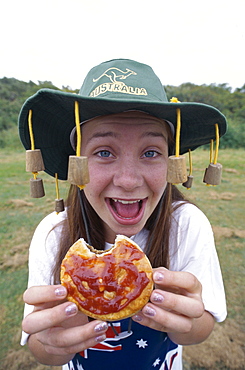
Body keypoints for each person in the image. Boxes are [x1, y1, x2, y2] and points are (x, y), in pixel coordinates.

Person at [19, 59, 227, 370]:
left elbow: (201, 328)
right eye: (104, 152)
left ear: (171, 162)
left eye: (151, 152)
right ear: (77, 163)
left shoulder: (186, 224)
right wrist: (53, 342)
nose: (128, 180)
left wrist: (186, 320)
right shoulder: (54, 233)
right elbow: (40, 347)